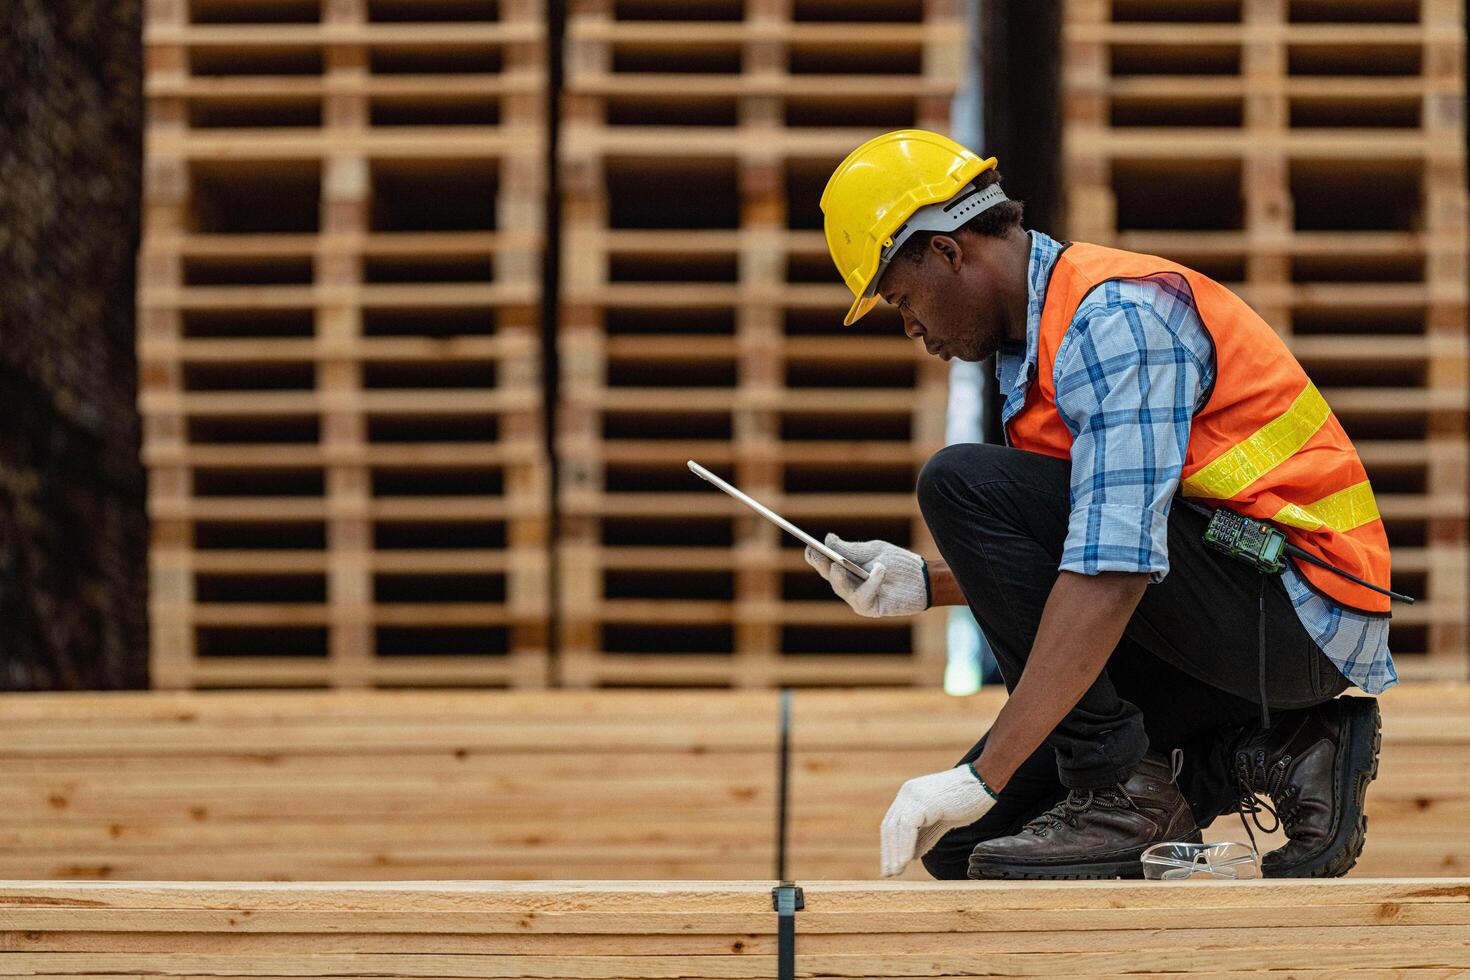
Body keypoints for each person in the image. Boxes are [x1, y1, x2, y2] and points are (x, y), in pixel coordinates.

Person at [807, 129, 1395, 881]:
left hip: (1295, 611)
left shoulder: (1113, 320)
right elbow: (1097, 540)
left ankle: (1124, 791)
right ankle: (1280, 750)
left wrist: (983, 772)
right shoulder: (1035, 355)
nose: (912, 327)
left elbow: (1113, 569)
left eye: (903, 299)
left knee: (957, 484)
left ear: (949, 251)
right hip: (1226, 615)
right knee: (969, 850)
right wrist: (927, 585)